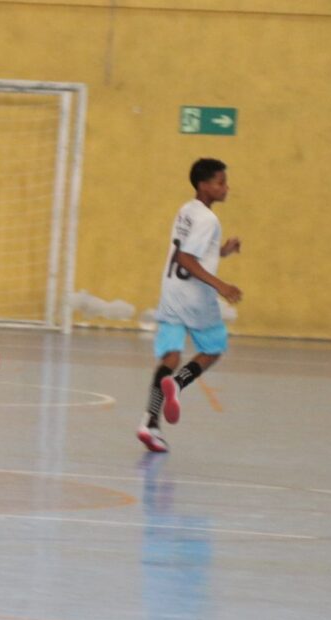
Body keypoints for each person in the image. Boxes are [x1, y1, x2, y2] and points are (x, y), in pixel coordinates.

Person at [137, 158, 242, 452]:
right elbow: (187, 259)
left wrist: (222, 251)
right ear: (204, 185)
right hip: (194, 297)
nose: (226, 187)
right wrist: (221, 285)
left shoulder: (187, 210)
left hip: (170, 291)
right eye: (221, 182)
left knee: (169, 356)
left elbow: (191, 251)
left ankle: (149, 423)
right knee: (213, 348)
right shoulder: (210, 220)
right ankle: (180, 383)